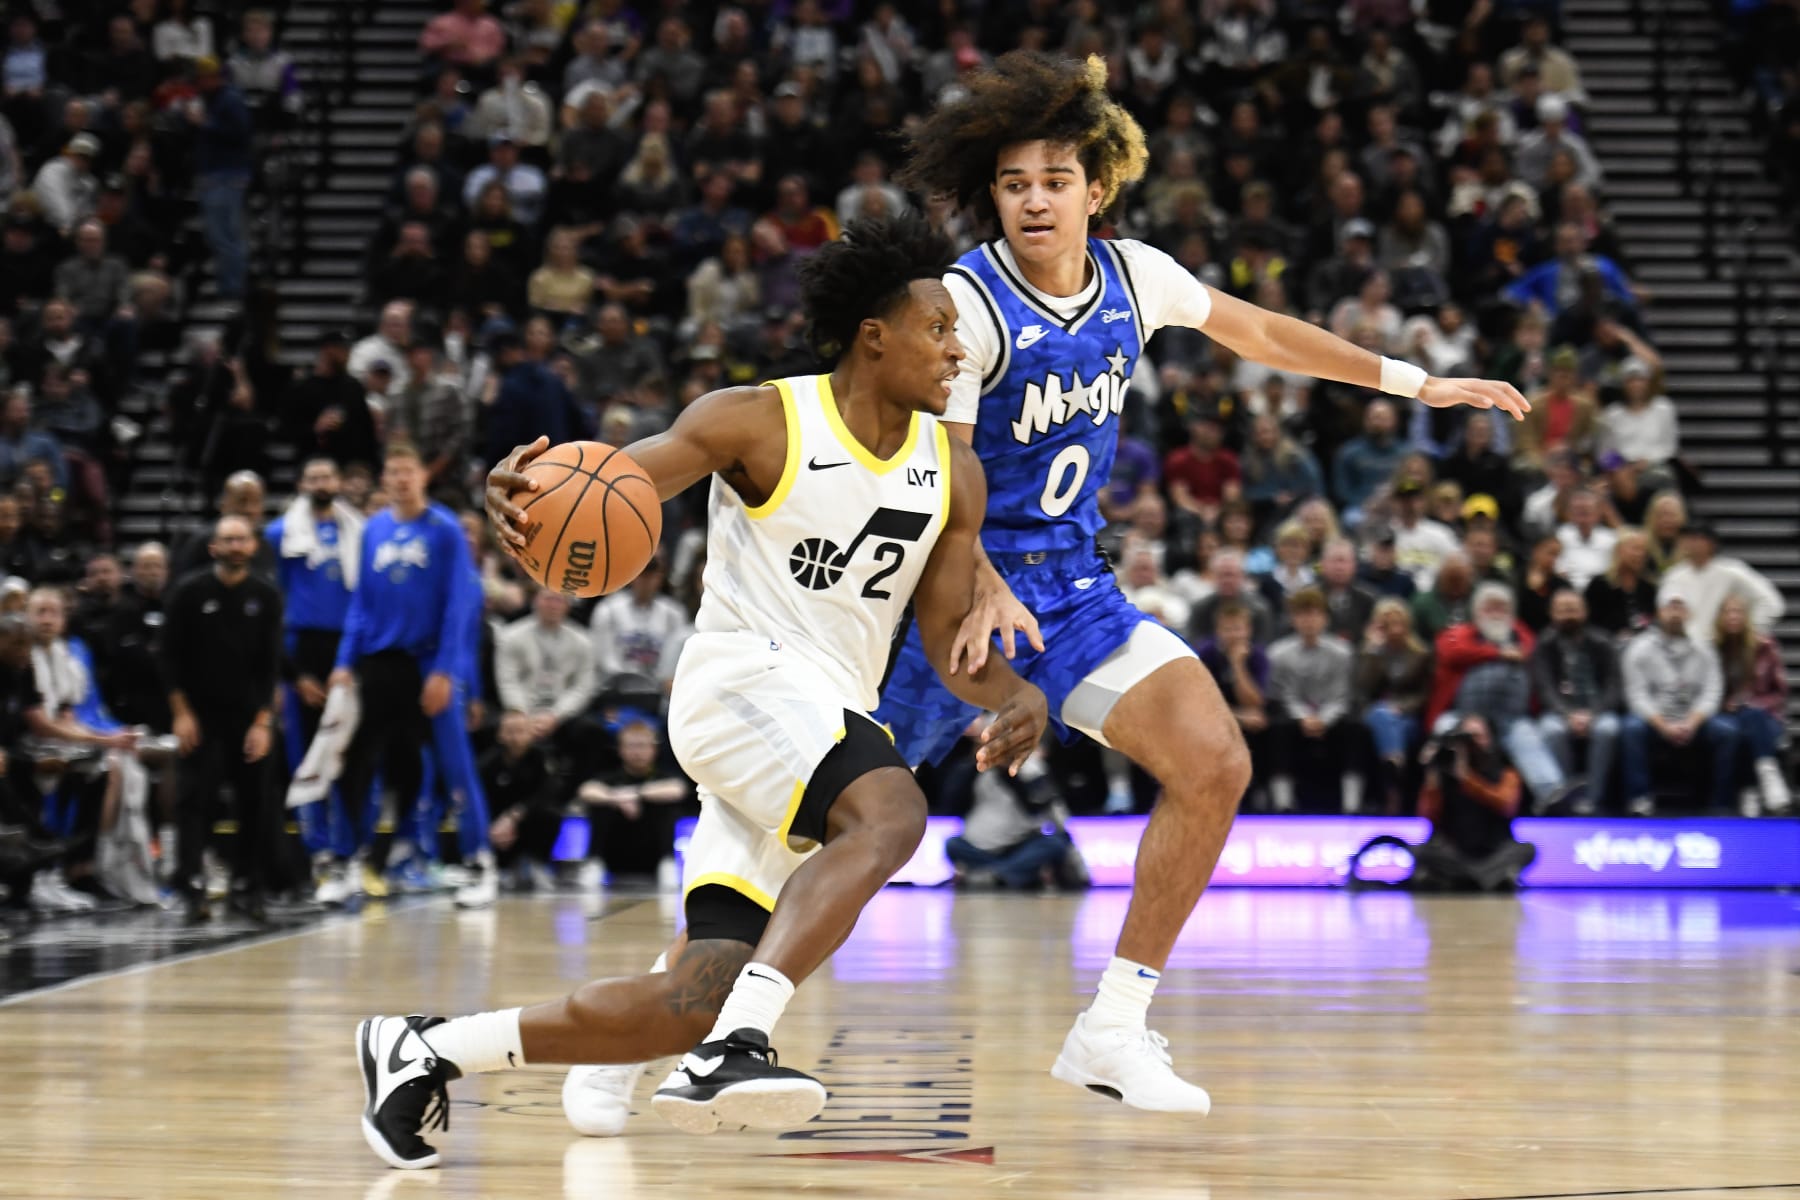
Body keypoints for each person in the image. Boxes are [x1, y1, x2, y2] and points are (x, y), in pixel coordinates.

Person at [878, 50, 1522, 1107]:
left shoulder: (1140, 276)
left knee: (1214, 760)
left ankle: (1114, 1028)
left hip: (1073, 596)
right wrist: (979, 582)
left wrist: (1419, 383)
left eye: (1054, 179)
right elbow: (947, 481)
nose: (1034, 200)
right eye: (1012, 183)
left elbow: (1261, 330)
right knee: (829, 833)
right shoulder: (970, 302)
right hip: (953, 587)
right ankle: (694, 1015)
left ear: (1098, 188)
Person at [361, 216, 1048, 1166]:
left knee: (689, 997)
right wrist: (519, 491)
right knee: (891, 816)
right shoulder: (758, 417)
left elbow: (943, 638)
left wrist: (1013, 693)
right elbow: (608, 484)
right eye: (938, 328)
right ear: (873, 334)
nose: (957, 349)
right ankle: (742, 1045)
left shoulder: (954, 473)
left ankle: (426, 1048)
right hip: (740, 682)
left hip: (822, 721)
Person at [329, 442, 496, 910]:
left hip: (428, 664)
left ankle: (479, 862)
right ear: (385, 478)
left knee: (454, 765)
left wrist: (445, 670)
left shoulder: (445, 530)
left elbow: (459, 608)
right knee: (355, 765)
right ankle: (346, 862)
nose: (401, 479)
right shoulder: (373, 530)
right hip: (380, 663)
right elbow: (360, 603)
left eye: (409, 470)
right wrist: (344, 662)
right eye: (393, 471)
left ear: (424, 476)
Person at [162, 516, 283, 923]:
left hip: (248, 716)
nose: (235, 546)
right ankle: (192, 883)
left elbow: (270, 666)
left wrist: (263, 722)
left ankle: (248, 885)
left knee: (254, 801)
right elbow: (168, 658)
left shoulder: (265, 596)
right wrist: (180, 713)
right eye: (227, 539)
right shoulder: (188, 592)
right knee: (193, 800)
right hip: (198, 713)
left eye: (242, 539)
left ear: (252, 547)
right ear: (213, 547)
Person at [267, 458, 363, 901]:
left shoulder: (360, 531)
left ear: (338, 482)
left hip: (347, 651)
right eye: (313, 476)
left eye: (328, 476)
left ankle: (349, 852)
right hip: (302, 649)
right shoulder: (279, 534)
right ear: (302, 483)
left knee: (346, 753)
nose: (322, 483)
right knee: (306, 756)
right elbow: (272, 606)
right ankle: (316, 853)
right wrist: (293, 673)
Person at [1620, 587, 1736, 816]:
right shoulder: (1639, 649)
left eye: (1680, 607)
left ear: (1689, 614)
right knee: (1631, 728)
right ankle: (1639, 799)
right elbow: (1637, 695)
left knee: (1728, 732)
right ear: (1658, 612)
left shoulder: (1705, 649)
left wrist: (1692, 723)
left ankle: (1720, 804)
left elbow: (1712, 691)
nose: (1675, 613)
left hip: (1694, 721)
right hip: (1655, 721)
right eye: (1669, 607)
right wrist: (1664, 726)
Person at [1412, 714, 1537, 892]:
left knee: (1526, 849)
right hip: (1457, 854)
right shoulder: (1445, 773)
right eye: (1465, 736)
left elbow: (1506, 805)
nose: (1471, 743)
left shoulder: (1505, 771)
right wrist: (1433, 774)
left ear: (1490, 739)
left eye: (1477, 736)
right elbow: (1427, 816)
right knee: (1419, 851)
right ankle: (1484, 879)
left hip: (1494, 853)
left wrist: (1466, 778)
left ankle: (1468, 879)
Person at [1265, 588, 1361, 812]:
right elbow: (1284, 695)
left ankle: (1352, 803)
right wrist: (1304, 718)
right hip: (1294, 718)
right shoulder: (1278, 653)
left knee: (1355, 730)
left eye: (1314, 614)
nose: (1309, 621)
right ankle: (1283, 802)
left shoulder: (1342, 652)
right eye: (1302, 615)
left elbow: (1341, 694)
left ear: (1325, 618)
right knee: (1277, 730)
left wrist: (1324, 719)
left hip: (1332, 716)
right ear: (1293, 619)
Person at [1529, 590, 1621, 815]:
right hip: (1560, 711)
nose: (1568, 615)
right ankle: (1566, 794)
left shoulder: (1602, 641)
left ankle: (1592, 799)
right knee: (1551, 731)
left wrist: (1593, 713)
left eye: (1573, 609)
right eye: (1562, 610)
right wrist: (1567, 715)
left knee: (1608, 730)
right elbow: (1545, 688)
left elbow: (1613, 686)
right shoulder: (1544, 645)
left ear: (1585, 611)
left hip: (1597, 709)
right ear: (1551, 613)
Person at [1712, 594, 1791, 815]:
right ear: (1720, 618)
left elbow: (1780, 692)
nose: (1733, 617)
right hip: (1727, 715)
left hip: (1766, 717)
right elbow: (1709, 691)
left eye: (1738, 612)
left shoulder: (1765, 645)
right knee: (1737, 729)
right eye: (1728, 612)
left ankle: (1753, 788)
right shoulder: (1714, 650)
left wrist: (1751, 703)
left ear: (1746, 617)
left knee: (1752, 717)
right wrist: (1728, 705)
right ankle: (1760, 784)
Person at [1356, 597, 1431, 814]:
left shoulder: (1421, 653)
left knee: (1393, 722)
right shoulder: (1369, 652)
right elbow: (1363, 689)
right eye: (1387, 624)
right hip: (1375, 712)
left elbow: (1424, 693)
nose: (1395, 629)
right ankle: (1395, 767)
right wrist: (1373, 652)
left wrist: (1402, 707)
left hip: (1407, 716)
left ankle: (1391, 776)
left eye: (1399, 623)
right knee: (1381, 715)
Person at [1656, 523, 1785, 640]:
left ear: (1711, 543)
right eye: (1688, 538)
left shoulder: (1732, 572)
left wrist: (1751, 632)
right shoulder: (1673, 576)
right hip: (1685, 651)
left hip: (1723, 650)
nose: (1691, 543)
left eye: (1696, 538)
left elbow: (1771, 603)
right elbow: (1665, 610)